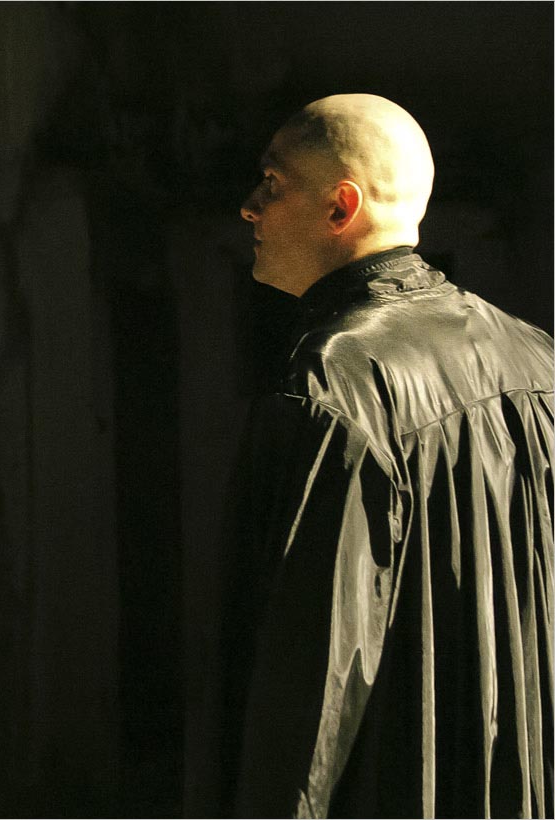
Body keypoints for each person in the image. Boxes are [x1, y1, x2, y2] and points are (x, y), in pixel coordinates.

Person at [222, 93, 553, 817]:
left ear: (341, 206)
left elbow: (310, 679)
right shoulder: (537, 361)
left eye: (272, 183)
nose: (249, 207)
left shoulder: (334, 384)